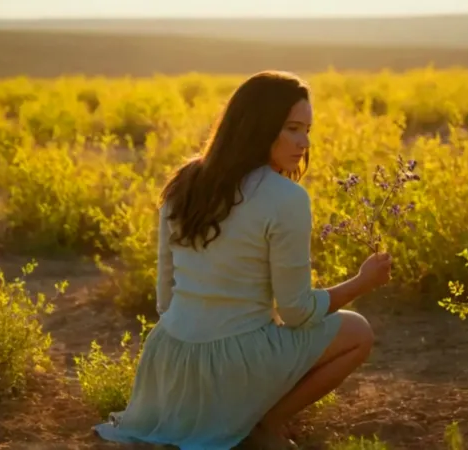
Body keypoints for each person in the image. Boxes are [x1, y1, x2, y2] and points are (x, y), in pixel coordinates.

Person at [92, 70, 393, 450]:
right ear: (259, 127)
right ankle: (266, 424)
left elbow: (165, 298)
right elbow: (297, 311)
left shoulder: (183, 181)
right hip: (234, 365)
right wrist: (362, 282)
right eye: (292, 129)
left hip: (167, 359)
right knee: (358, 332)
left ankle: (231, 414)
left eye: (307, 130)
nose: (304, 142)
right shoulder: (286, 197)